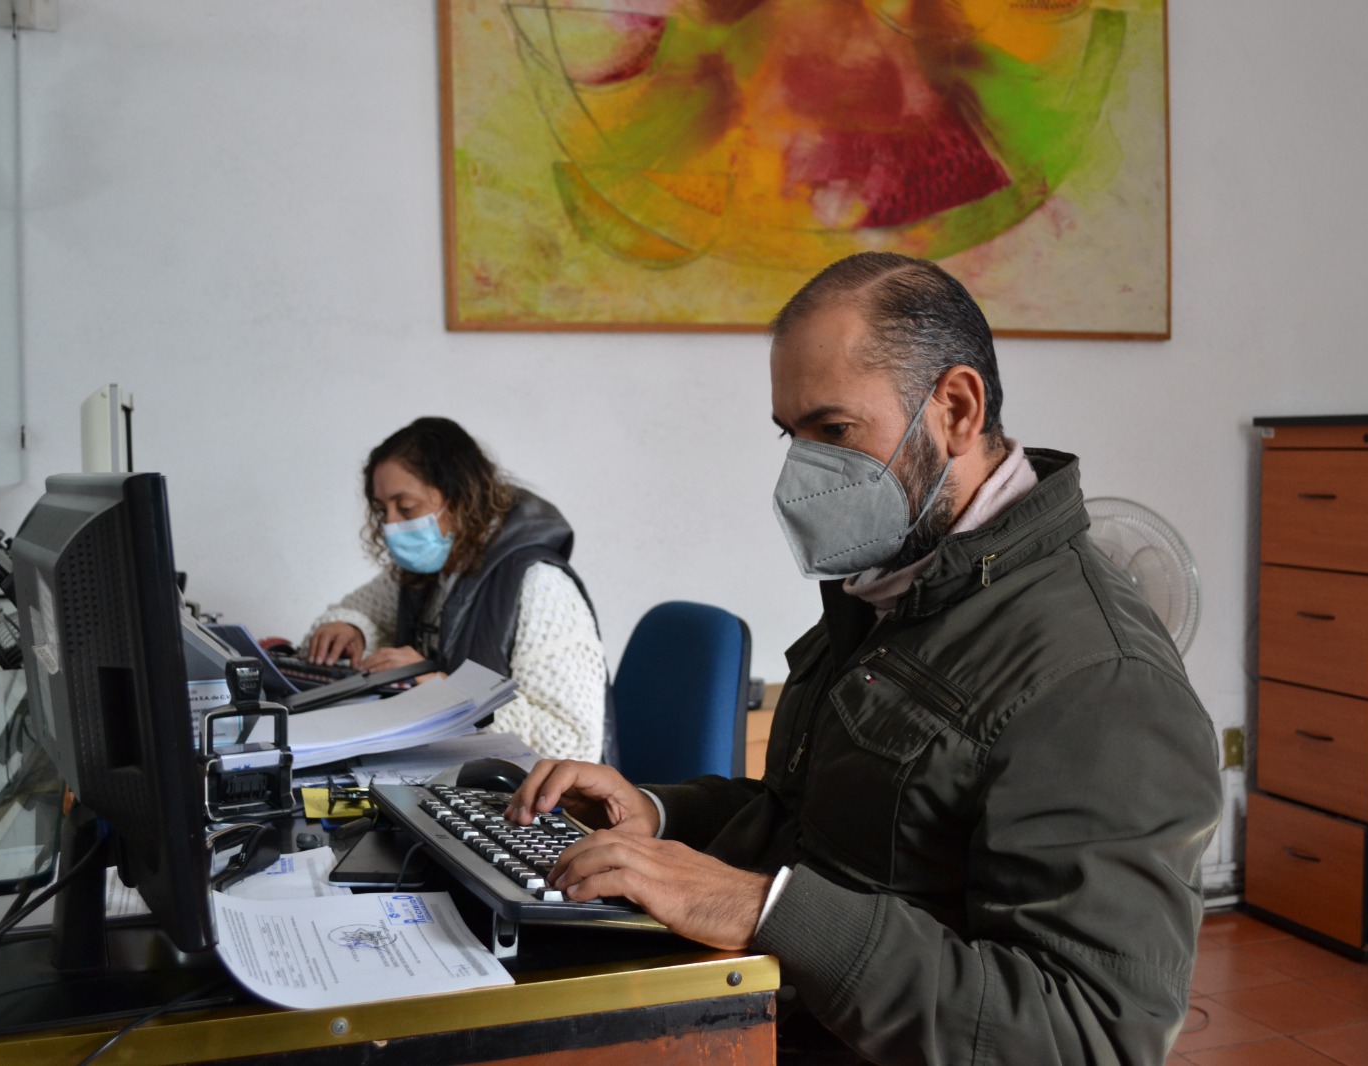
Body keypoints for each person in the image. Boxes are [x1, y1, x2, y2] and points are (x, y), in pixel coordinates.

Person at [507, 253, 1222, 1064]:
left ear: (956, 409)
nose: (803, 476)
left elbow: (1090, 1033)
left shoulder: (1101, 678)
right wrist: (660, 817)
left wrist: (769, 909)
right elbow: (827, 823)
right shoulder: (892, 588)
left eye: (835, 431)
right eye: (792, 436)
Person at [305, 417, 609, 763]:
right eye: (381, 509)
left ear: (460, 497)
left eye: (406, 508)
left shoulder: (540, 586)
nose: (389, 525)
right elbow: (359, 610)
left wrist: (445, 693)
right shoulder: (428, 572)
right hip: (446, 773)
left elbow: (572, 743)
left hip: (522, 790)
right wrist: (351, 628)